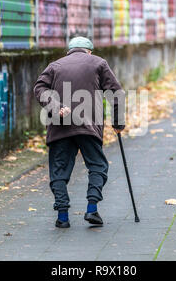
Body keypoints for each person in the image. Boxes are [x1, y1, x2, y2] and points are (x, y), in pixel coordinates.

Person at [33, 37, 125, 228]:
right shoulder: (99, 63)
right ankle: (92, 209)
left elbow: (39, 88)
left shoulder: (55, 66)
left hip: (60, 125)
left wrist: (56, 106)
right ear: (89, 51)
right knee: (97, 165)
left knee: (59, 169)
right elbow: (116, 92)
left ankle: (63, 217)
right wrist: (118, 123)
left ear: (69, 51)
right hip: (88, 125)